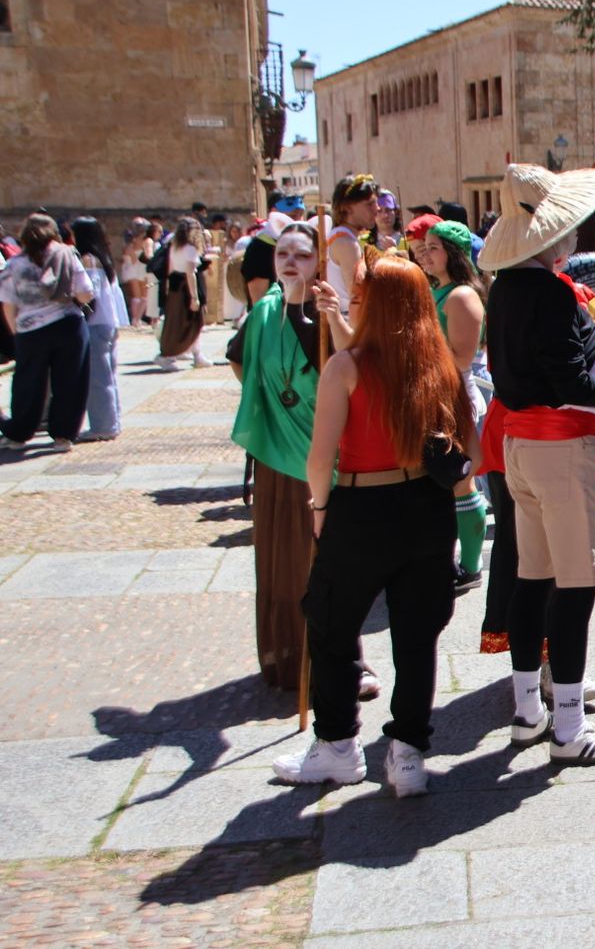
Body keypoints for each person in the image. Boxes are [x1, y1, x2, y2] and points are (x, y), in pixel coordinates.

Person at [272, 256, 479, 796]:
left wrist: (319, 509)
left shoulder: (348, 365)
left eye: (361, 296)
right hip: (426, 509)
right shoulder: (441, 367)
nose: (355, 303)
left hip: (362, 507)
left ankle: (338, 744)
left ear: (376, 303)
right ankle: (407, 752)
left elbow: (321, 460)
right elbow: (470, 457)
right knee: (417, 635)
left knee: (331, 622)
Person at [481, 162, 595, 763]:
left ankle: (528, 711)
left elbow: (519, 376)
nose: (577, 236)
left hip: (521, 449)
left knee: (532, 579)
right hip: (561, 449)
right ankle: (567, 727)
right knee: (577, 584)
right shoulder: (551, 292)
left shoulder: (505, 287)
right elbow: (575, 383)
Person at [228, 222, 342, 692]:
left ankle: (336, 659)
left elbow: (355, 367)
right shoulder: (262, 314)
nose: (291, 262)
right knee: (283, 562)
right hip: (277, 457)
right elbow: (239, 360)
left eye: (301, 254)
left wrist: (336, 318)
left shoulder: (327, 313)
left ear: (318, 263)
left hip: (323, 454)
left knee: (327, 567)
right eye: (283, 255)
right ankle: (288, 656)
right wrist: (266, 403)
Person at [411, 220, 491, 591]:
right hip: (431, 393)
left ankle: (471, 567)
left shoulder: (460, 296)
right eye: (424, 246)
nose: (425, 253)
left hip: (451, 395)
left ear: (454, 254)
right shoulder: (436, 290)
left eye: (434, 247)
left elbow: (461, 358)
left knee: (461, 480)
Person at [0, 214, 92, 451]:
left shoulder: (15, 264)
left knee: (27, 383)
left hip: (30, 330)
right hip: (68, 324)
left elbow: (8, 303)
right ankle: (63, 436)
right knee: (70, 381)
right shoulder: (67, 254)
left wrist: (16, 332)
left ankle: (19, 434)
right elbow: (85, 292)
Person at [70, 218, 129, 442]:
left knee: (98, 378)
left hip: (95, 324)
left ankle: (103, 425)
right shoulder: (103, 259)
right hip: (108, 322)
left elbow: (89, 293)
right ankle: (112, 421)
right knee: (108, 376)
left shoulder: (87, 260)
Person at [155, 217, 212, 370]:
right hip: (186, 290)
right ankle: (169, 356)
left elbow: (170, 269)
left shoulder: (174, 247)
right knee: (191, 323)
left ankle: (196, 355)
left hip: (175, 289)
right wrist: (194, 297)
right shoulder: (190, 249)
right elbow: (190, 273)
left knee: (177, 322)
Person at [326, 174, 380, 312]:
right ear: (347, 208)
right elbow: (358, 295)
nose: (377, 208)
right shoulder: (345, 242)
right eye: (369, 204)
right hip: (349, 321)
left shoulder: (343, 237)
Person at [120, 220, 155, 328]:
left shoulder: (130, 244)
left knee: (137, 296)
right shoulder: (145, 242)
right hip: (137, 269)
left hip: (131, 270)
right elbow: (139, 259)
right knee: (142, 296)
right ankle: (136, 319)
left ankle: (136, 319)